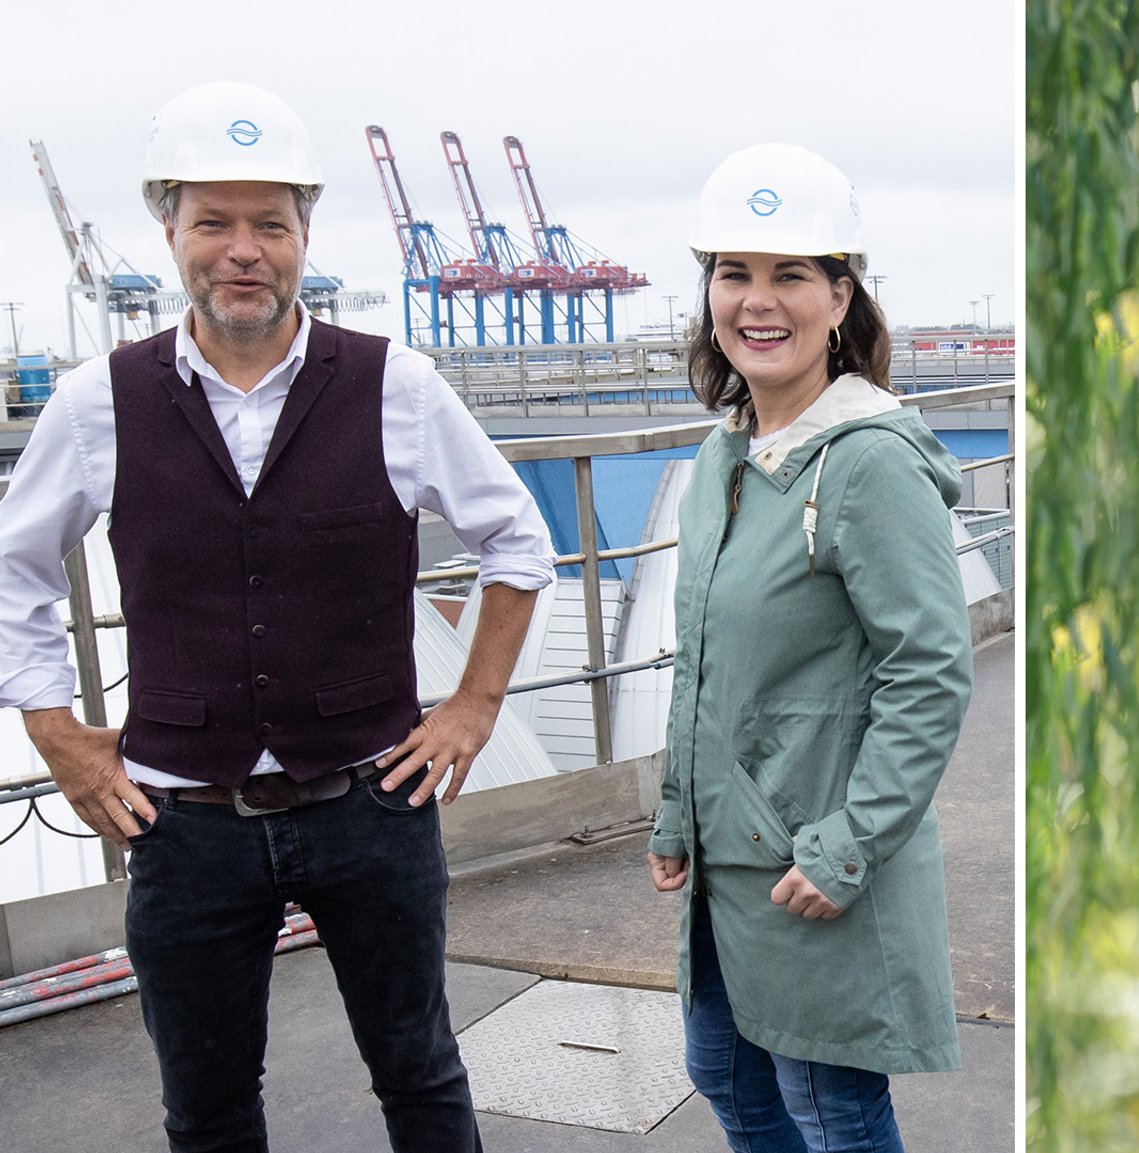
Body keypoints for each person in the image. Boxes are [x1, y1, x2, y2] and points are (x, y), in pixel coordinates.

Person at [0, 81, 555, 1151]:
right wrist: (55, 734)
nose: (241, 249)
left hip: (369, 807)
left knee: (421, 1072)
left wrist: (475, 704)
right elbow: (15, 564)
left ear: (305, 234)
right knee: (207, 1108)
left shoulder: (396, 385)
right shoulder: (96, 401)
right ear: (170, 231)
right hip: (181, 821)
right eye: (214, 222)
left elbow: (516, 543)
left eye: (269, 224)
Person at [644, 143, 973, 1153]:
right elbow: (701, 658)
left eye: (790, 275)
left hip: (810, 857)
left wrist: (849, 844)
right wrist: (673, 814)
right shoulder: (725, 456)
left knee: (831, 1107)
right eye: (733, 273)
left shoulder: (868, 462)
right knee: (728, 1074)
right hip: (728, 859)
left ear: (841, 298)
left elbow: (929, 671)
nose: (757, 300)